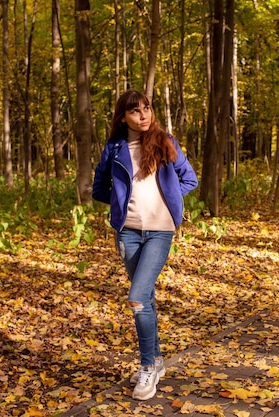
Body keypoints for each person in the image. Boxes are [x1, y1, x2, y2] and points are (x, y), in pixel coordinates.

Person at [92, 89, 198, 400]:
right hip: (128, 233)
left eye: (147, 108)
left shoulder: (166, 142)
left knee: (137, 298)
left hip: (160, 232)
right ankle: (158, 360)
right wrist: (119, 204)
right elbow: (99, 187)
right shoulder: (114, 148)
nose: (144, 115)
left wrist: (170, 201)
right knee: (147, 298)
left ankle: (147, 368)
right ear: (122, 116)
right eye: (135, 111)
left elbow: (189, 179)